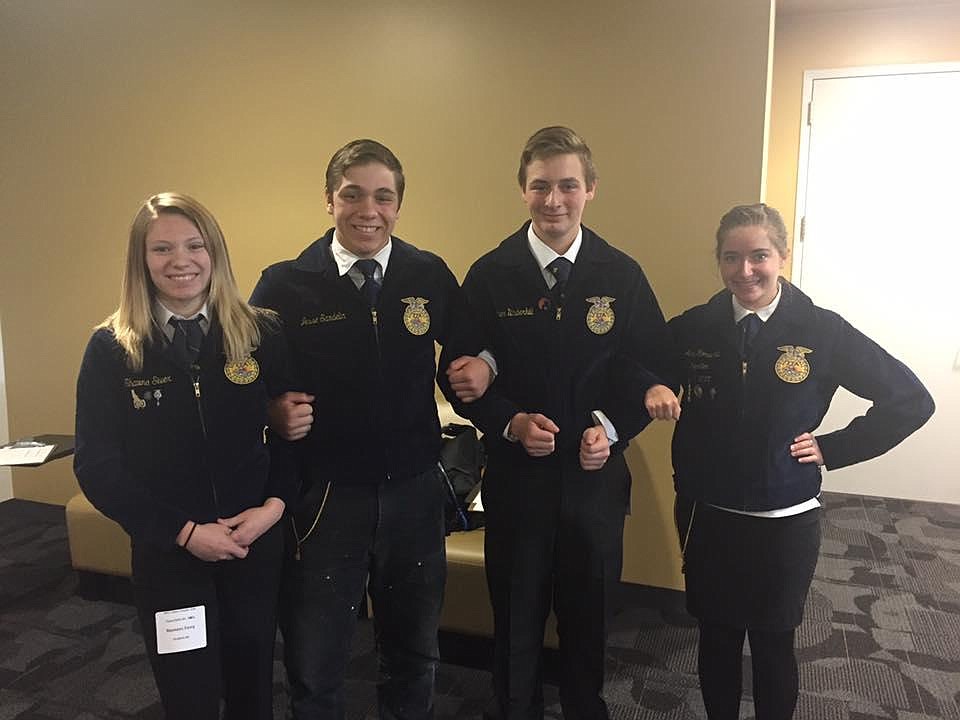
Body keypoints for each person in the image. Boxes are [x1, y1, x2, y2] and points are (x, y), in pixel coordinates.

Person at [250, 138, 490, 720]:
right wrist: (269, 411)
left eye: (384, 197)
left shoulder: (425, 272)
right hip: (327, 496)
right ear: (329, 202)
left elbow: (471, 342)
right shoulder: (285, 284)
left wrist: (482, 363)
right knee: (317, 659)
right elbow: (243, 375)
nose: (368, 209)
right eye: (352, 194)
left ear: (399, 205)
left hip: (414, 489)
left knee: (414, 652)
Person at [448, 126, 680, 720]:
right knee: (517, 615)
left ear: (591, 189)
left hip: (593, 484)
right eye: (541, 186)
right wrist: (509, 422)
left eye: (568, 186)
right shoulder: (490, 273)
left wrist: (613, 427)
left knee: (589, 614)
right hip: (518, 481)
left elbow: (649, 369)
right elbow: (463, 379)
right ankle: (514, 708)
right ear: (522, 191)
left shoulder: (620, 275)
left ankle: (585, 706)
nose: (554, 200)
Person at [669, 203, 935, 720]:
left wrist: (834, 449)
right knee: (717, 640)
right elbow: (641, 368)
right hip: (709, 515)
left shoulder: (822, 330)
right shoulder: (693, 328)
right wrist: (654, 386)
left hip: (784, 521)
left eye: (759, 256)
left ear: (783, 256)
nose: (745, 271)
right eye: (731, 258)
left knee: (773, 645)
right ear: (719, 261)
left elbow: (910, 400)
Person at [74, 192, 297, 719]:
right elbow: (97, 464)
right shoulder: (111, 349)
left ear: (214, 253)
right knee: (188, 695)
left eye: (195, 245)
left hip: (252, 545)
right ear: (140, 261)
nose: (181, 261)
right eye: (162, 249)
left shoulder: (261, 331)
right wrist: (185, 532)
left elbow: (296, 432)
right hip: (171, 555)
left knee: (252, 690)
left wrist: (274, 507)